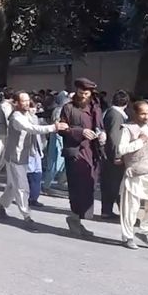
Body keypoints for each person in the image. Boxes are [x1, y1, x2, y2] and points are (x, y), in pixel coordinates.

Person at [0, 92, 66, 231]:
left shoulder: (27, 115)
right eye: (23, 101)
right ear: (16, 103)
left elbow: (36, 123)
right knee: (22, 187)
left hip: (24, 155)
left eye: (28, 101)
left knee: (12, 185)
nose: (27, 103)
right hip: (15, 157)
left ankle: (0, 205)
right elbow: (32, 129)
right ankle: (27, 216)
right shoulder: (16, 118)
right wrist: (54, 127)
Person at [59, 78, 107, 236]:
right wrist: (80, 132)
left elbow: (99, 126)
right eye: (81, 93)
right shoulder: (68, 108)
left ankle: (78, 219)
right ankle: (74, 218)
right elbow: (62, 128)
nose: (83, 96)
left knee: (89, 186)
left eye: (86, 93)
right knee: (77, 186)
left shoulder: (96, 107)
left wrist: (102, 135)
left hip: (92, 152)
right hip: (76, 152)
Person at [117, 101, 148, 250]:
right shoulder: (127, 129)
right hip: (134, 173)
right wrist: (139, 141)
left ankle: (145, 231)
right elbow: (121, 149)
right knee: (130, 208)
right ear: (135, 113)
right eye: (143, 113)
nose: (146, 117)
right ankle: (128, 236)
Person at [100, 90, 129, 220]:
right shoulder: (116, 115)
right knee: (114, 184)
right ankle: (111, 211)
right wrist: (117, 155)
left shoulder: (111, 112)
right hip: (112, 155)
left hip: (108, 154)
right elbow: (114, 136)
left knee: (111, 183)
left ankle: (108, 210)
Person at [42, 91, 69, 194]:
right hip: (57, 138)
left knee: (62, 163)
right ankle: (46, 185)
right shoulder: (58, 110)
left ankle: (61, 182)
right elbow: (57, 125)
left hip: (63, 138)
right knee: (54, 163)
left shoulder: (63, 109)